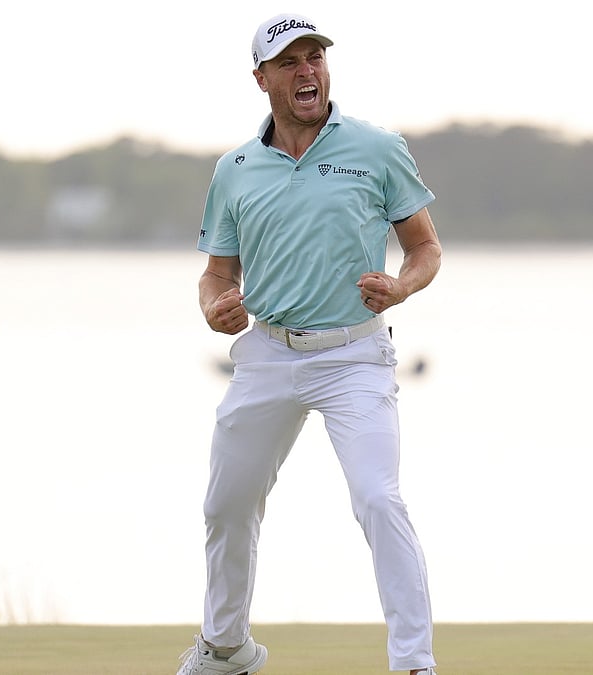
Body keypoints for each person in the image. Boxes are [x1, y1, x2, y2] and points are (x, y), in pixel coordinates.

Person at [177, 13, 442, 675]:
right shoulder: (235, 169)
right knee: (227, 501)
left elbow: (426, 246)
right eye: (291, 61)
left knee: (378, 496)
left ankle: (415, 662)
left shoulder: (377, 148)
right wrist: (215, 306)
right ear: (262, 78)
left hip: (354, 355)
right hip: (267, 354)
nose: (308, 72)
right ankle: (227, 648)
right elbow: (217, 272)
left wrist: (402, 286)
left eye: (315, 57)